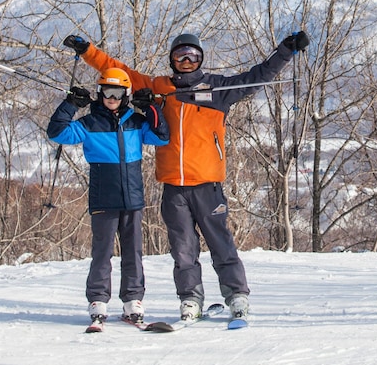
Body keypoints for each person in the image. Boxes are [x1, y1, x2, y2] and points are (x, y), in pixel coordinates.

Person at [62, 30, 310, 322]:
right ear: (172, 59)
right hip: (174, 187)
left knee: (221, 243)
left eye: (192, 55)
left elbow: (258, 75)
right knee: (182, 249)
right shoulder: (158, 88)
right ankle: (190, 298)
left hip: (208, 183)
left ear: (201, 58)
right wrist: (87, 50)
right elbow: (117, 71)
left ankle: (237, 295)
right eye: (180, 55)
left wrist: (286, 50)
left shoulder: (217, 89)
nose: (186, 61)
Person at [47, 67, 170, 331]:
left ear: (125, 95)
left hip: (133, 197)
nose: (111, 98)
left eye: (116, 92)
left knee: (133, 252)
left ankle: (133, 300)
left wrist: (151, 108)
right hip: (103, 198)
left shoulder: (136, 122)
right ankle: (98, 301)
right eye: (106, 92)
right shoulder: (90, 124)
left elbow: (162, 136)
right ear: (100, 93)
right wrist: (70, 105)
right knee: (102, 253)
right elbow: (56, 133)